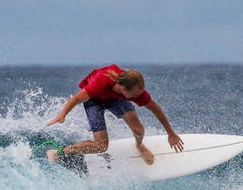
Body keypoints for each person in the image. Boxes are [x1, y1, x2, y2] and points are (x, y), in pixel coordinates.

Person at [46, 65, 183, 165]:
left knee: (139, 130)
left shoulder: (134, 89)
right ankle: (60, 153)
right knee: (101, 146)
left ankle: (139, 146)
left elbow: (155, 109)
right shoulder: (99, 83)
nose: (138, 97)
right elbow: (76, 99)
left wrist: (171, 133)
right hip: (94, 99)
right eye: (135, 94)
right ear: (123, 88)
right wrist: (62, 115)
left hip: (115, 98)